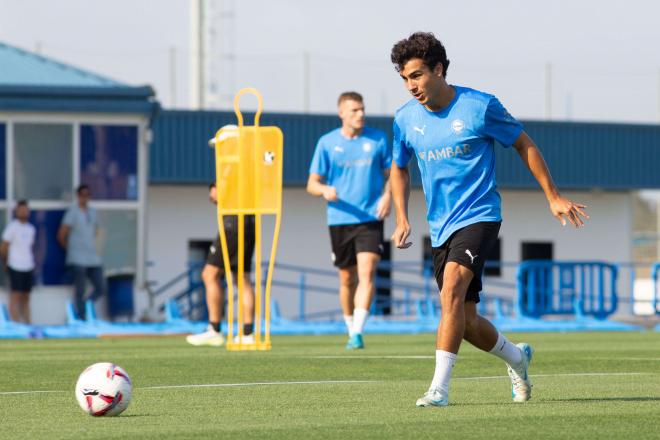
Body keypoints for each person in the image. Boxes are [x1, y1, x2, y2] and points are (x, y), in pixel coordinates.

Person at [388, 32, 589, 407]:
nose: (410, 85)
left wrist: (553, 196)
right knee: (464, 320)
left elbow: (523, 143)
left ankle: (439, 390)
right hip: (441, 226)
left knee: (451, 291)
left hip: (480, 216)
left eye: (416, 75)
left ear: (439, 69)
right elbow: (399, 168)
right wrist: (402, 216)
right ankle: (517, 357)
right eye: (404, 78)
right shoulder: (404, 119)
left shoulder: (479, 106)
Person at [307, 91, 392, 350]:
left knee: (367, 272)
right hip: (339, 219)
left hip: (370, 218)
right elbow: (312, 183)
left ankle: (357, 332)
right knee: (346, 278)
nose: (360, 114)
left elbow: (394, 175)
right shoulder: (327, 143)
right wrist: (324, 190)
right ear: (342, 113)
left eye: (362, 109)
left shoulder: (378, 139)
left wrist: (387, 196)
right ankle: (349, 326)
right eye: (354, 110)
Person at [186, 182, 256, 346]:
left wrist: (215, 192)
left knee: (210, 274)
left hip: (234, 223)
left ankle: (215, 329)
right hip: (248, 221)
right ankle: (247, 333)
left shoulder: (229, 166)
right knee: (241, 278)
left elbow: (221, 188)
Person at [57, 184, 106, 320]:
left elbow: (98, 231)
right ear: (78, 196)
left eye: (88, 195)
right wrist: (70, 249)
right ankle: (81, 317)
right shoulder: (72, 212)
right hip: (77, 257)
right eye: (82, 195)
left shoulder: (93, 212)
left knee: (101, 287)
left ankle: (84, 307)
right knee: (80, 289)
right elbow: (61, 234)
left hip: (93, 257)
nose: (85, 198)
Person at [0, 200, 36, 323]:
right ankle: (14, 324)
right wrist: (5, 263)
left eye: (25, 210)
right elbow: (3, 247)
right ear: (16, 212)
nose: (23, 212)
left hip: (28, 266)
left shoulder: (31, 229)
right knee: (15, 296)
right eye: (21, 210)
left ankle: (28, 323)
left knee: (26, 296)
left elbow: (31, 248)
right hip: (15, 265)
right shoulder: (12, 227)